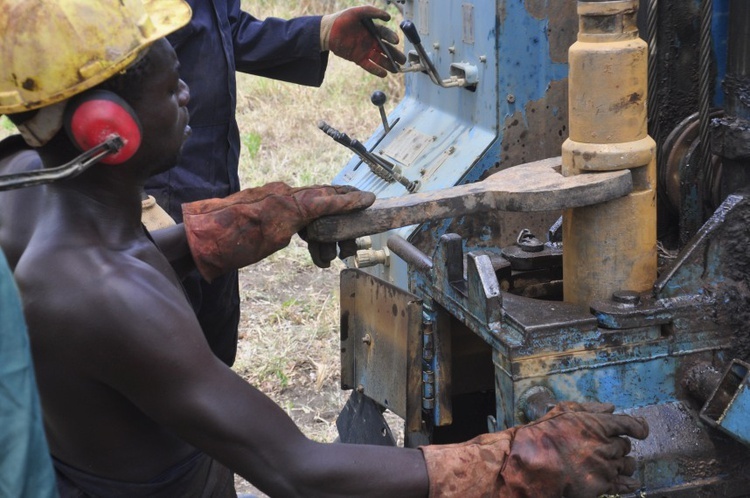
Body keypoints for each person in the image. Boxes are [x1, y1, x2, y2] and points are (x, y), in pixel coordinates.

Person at [0, 0, 649, 496]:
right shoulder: (112, 301)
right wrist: (513, 460)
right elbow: (295, 468)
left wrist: (226, 227)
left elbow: (117, 250)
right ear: (106, 129)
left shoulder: (29, 185)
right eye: (170, 88)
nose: (189, 93)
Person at [145, 1, 407, 367]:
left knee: (212, 344)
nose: (184, 90)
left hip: (209, 167)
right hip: (144, 181)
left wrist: (320, 32)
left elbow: (223, 30)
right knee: (164, 351)